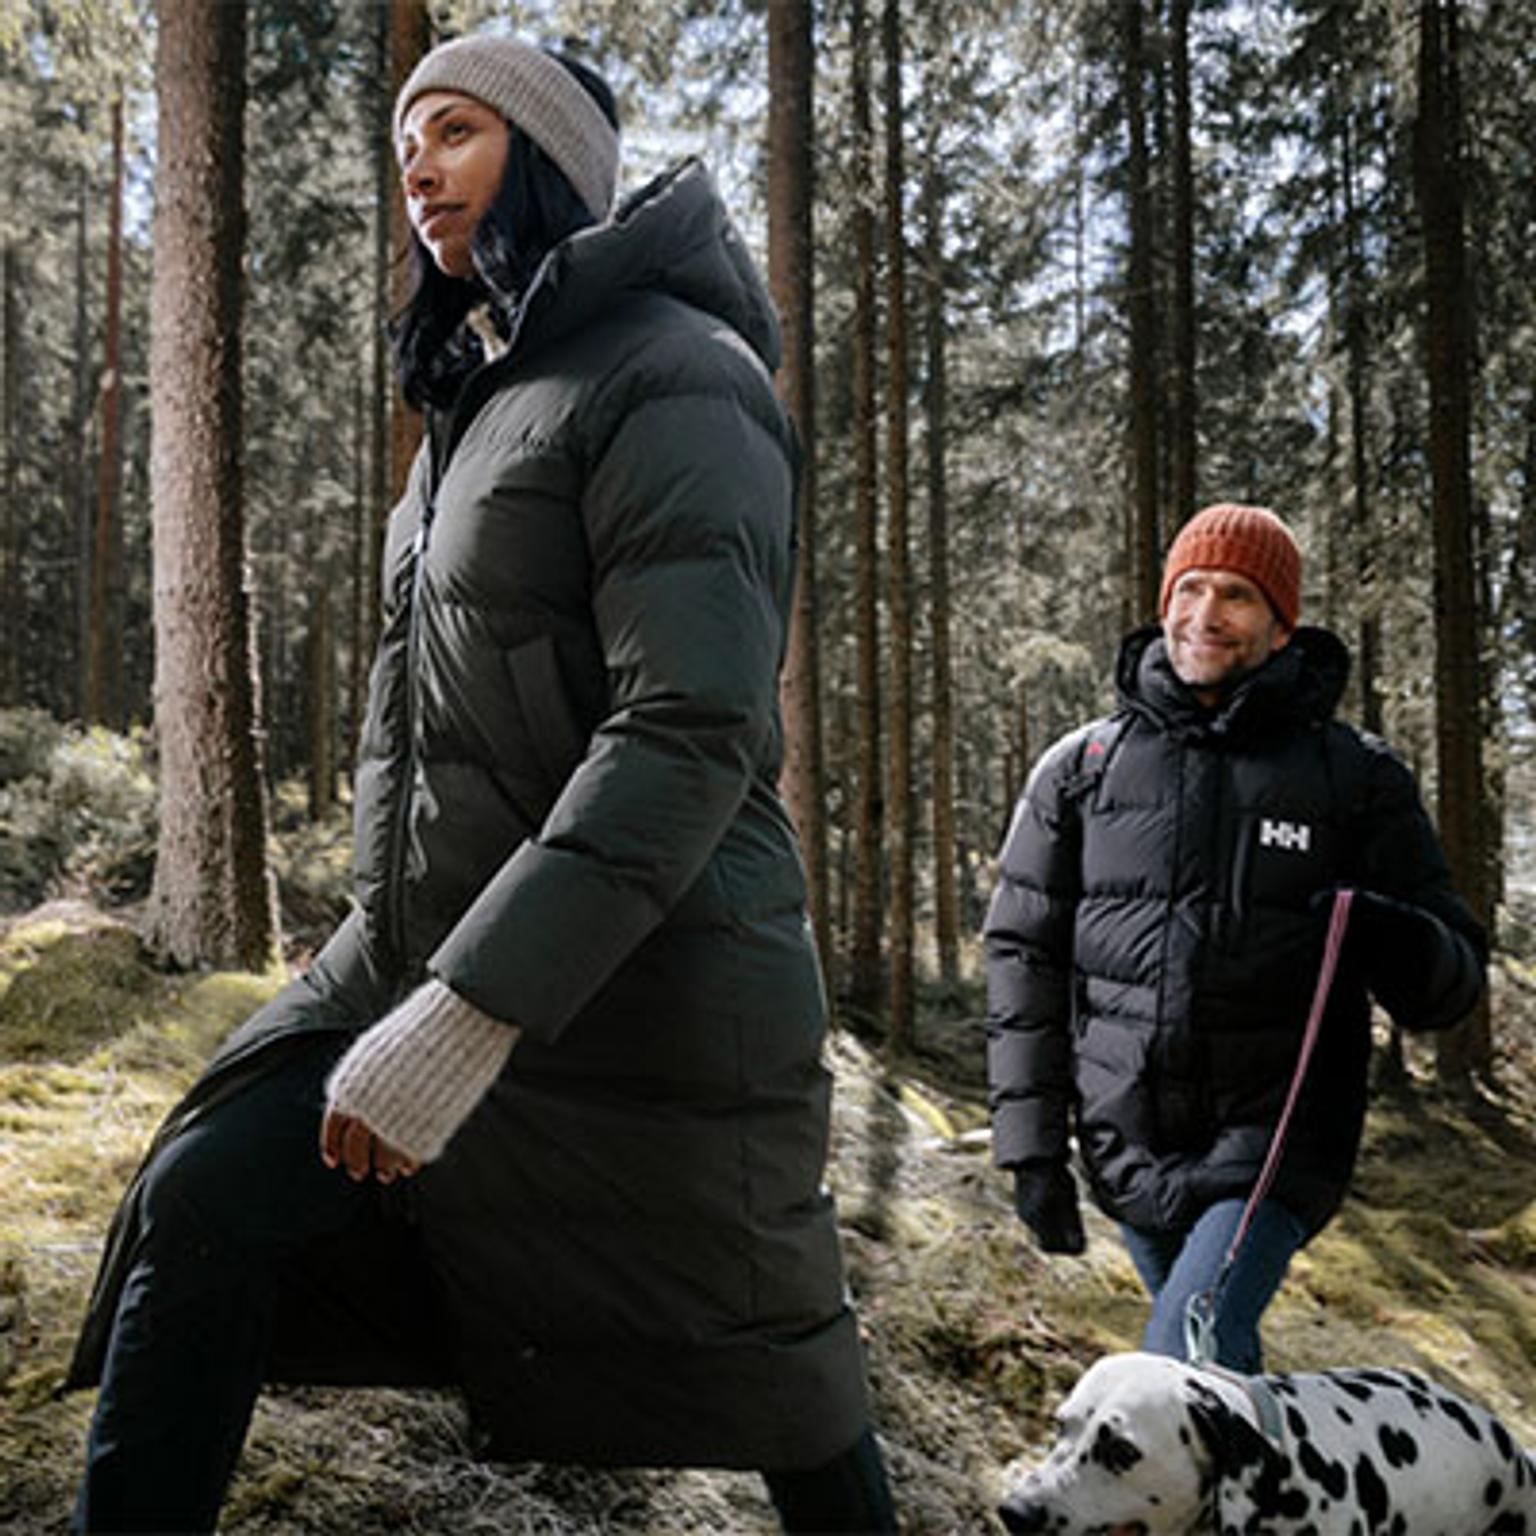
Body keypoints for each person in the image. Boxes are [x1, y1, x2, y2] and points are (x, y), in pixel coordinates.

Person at [66, 34, 896, 1534]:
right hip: (429, 961)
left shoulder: (679, 375)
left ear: (553, 159)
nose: (420, 174)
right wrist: (371, 968)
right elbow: (439, 735)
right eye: (405, 150)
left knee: (778, 1365)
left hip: (655, 995)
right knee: (201, 1201)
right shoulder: (468, 408)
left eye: (456, 133)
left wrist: (470, 1008)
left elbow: (689, 726)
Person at [983, 502, 1486, 1373]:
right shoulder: (1082, 769)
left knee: (1180, 1362)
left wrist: (1381, 930)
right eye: (1191, 588)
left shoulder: (1354, 777)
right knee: (1212, 1379)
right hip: (1126, 1142)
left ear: (1283, 627)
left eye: (1239, 596)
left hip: (1274, 1142)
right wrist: (1031, 1150)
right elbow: (1024, 956)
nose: (1207, 615)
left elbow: (1451, 979)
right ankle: (1277, 1505)